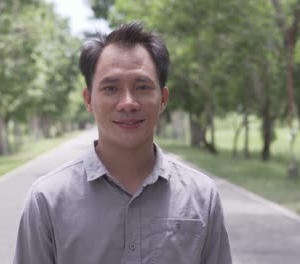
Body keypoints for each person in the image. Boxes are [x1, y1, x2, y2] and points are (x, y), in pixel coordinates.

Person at [13, 21, 232, 264]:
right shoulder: (47, 199)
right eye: (111, 88)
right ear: (88, 99)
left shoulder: (201, 196)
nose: (128, 103)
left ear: (163, 99)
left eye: (142, 87)